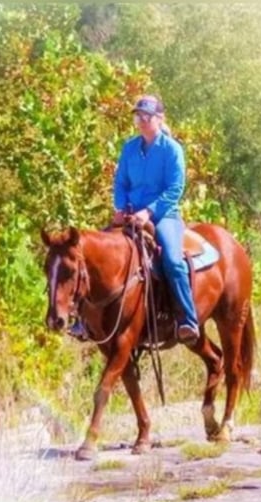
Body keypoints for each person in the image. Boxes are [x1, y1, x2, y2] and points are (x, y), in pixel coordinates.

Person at [69, 94, 200, 345]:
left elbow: (175, 188)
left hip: (163, 215)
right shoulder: (130, 148)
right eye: (138, 116)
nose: (140, 121)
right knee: (89, 254)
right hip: (129, 215)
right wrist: (120, 207)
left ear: (159, 119)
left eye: (146, 117)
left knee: (172, 260)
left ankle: (187, 319)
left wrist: (149, 212)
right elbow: (121, 182)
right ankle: (83, 320)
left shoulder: (172, 150)